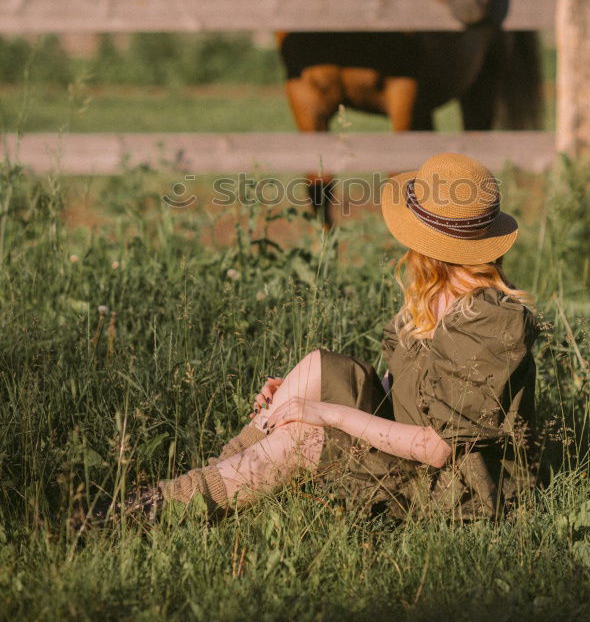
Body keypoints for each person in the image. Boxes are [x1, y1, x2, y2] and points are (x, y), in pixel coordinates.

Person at [91, 153, 539, 526]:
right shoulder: (436, 294)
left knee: (306, 435)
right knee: (316, 367)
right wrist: (296, 392)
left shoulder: (490, 323)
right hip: (415, 453)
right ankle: (199, 489)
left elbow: (436, 448)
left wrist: (324, 413)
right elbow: (404, 392)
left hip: (454, 489)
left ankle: (145, 515)